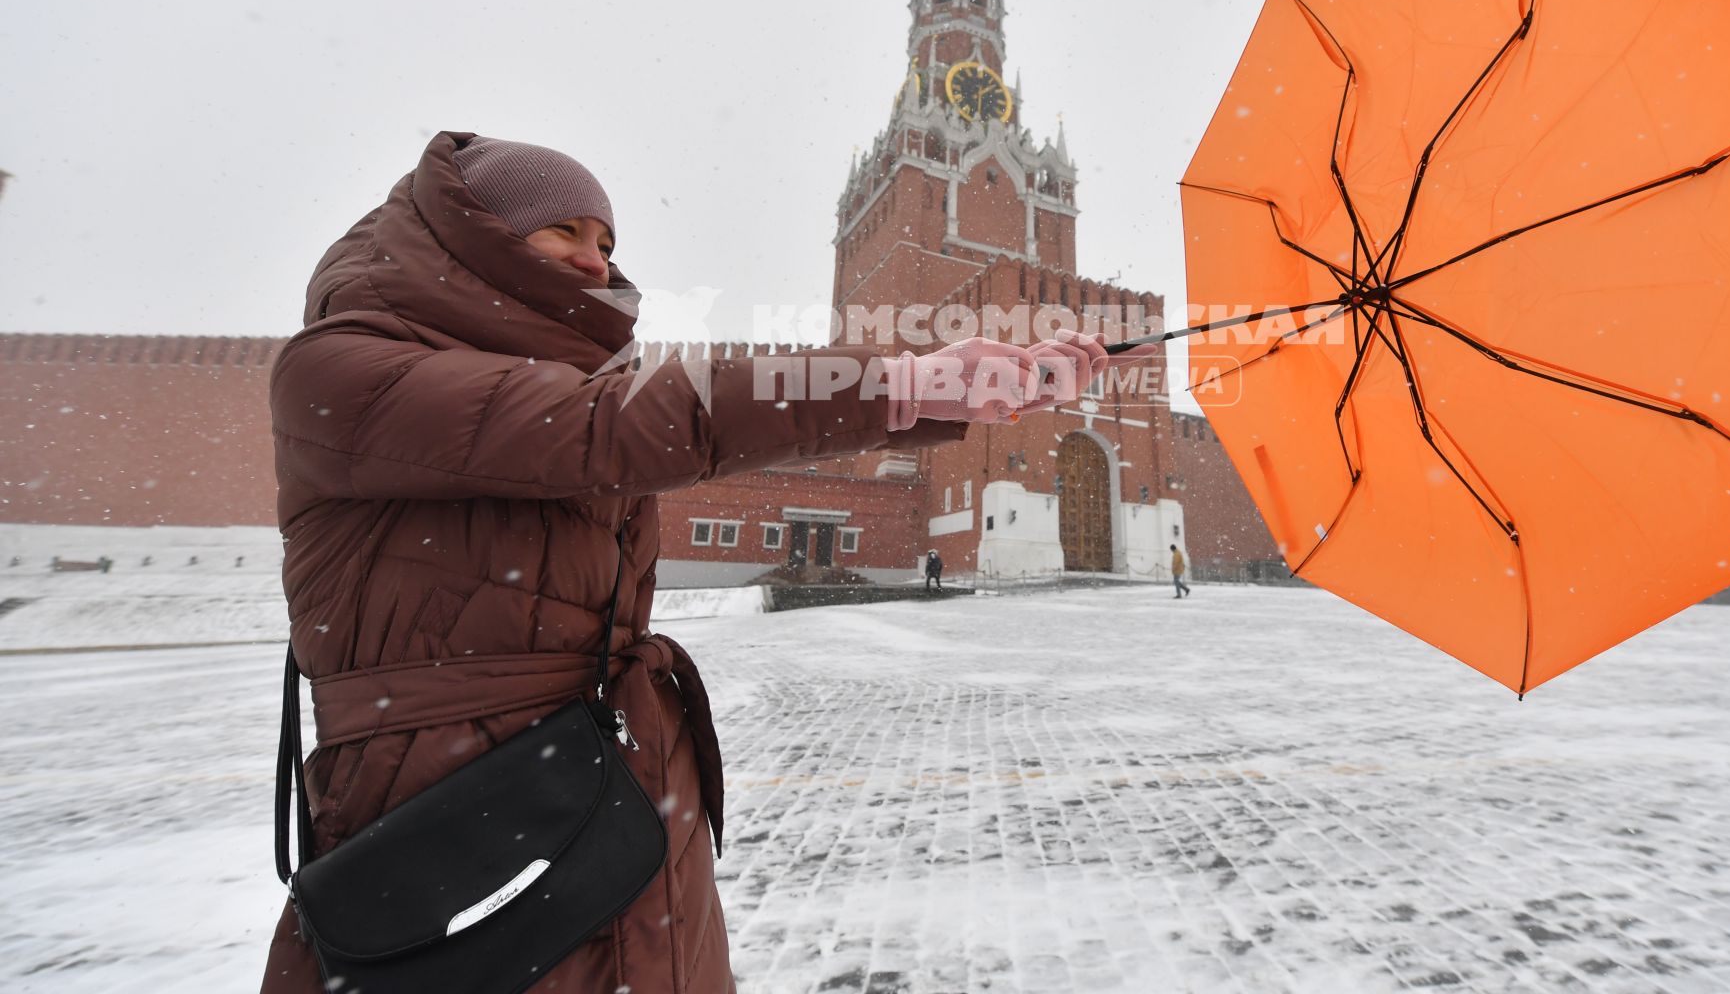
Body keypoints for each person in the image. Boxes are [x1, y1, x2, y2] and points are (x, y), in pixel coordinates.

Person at [258, 132, 1116, 994]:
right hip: (457, 813)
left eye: (606, 241)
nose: (595, 260)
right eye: (562, 231)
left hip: (608, 795)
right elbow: (619, 428)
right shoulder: (343, 372)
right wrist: (903, 383)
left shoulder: (561, 380)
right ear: (469, 230)